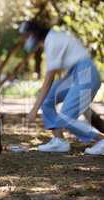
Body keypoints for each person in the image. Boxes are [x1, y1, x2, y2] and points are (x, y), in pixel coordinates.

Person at [19, 20, 104, 155]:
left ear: (34, 34)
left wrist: (34, 110)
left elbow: (48, 81)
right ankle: (60, 141)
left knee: (65, 118)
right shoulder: (51, 40)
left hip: (86, 72)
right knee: (47, 99)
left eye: (26, 36)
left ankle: (102, 141)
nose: (24, 41)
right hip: (75, 74)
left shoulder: (52, 42)